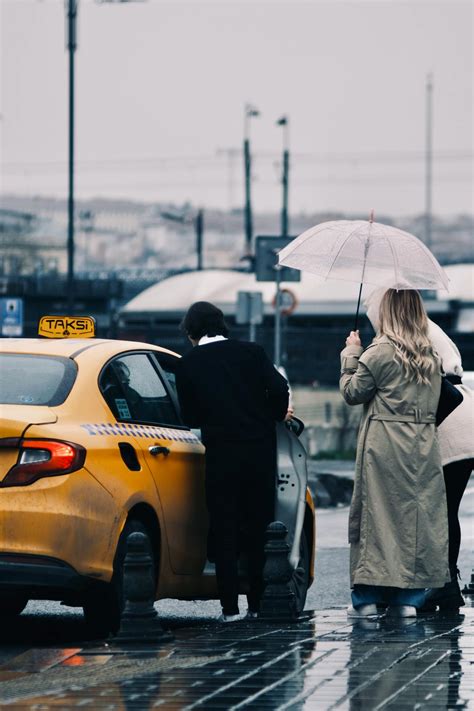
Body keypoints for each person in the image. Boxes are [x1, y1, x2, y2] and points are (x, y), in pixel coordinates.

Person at [175, 301, 291, 622]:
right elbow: (279, 388)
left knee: (224, 529)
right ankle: (256, 603)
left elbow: (190, 416)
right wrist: (273, 414)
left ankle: (229, 609)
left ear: (191, 332)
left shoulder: (188, 364)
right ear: (221, 324)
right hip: (259, 455)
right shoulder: (252, 352)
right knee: (259, 529)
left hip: (221, 457)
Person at [340, 288, 450, 618]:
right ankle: (409, 600)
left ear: (387, 312)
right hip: (422, 444)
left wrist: (350, 354)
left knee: (376, 517)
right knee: (417, 519)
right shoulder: (430, 356)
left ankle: (367, 599)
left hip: (384, 442)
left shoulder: (379, 352)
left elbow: (352, 393)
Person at [366, 289, 474, 610]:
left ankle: (434, 585)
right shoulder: (430, 327)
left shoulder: (403, 334)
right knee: (446, 510)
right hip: (465, 415)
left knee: (429, 512)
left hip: (443, 418)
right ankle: (447, 584)